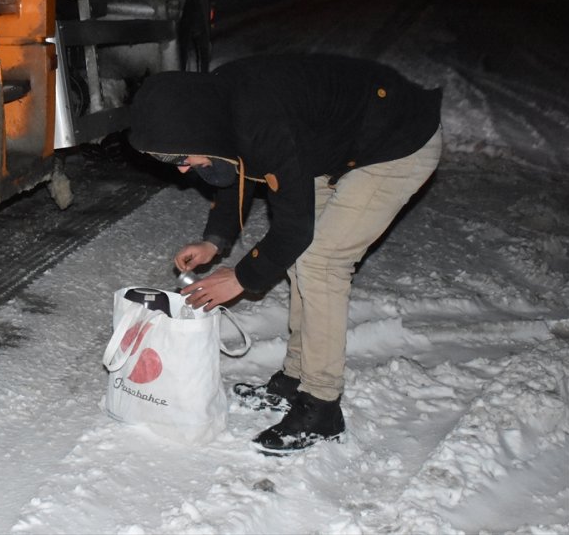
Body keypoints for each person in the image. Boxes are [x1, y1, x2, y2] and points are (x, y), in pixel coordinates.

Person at [127, 53, 443, 455]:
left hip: (396, 141)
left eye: (179, 158)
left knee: (321, 262)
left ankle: (322, 407)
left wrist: (241, 278)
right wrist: (215, 240)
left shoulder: (261, 119)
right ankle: (296, 377)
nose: (183, 171)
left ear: (197, 132)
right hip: (333, 142)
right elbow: (233, 164)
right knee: (300, 256)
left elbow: (294, 227)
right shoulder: (219, 106)